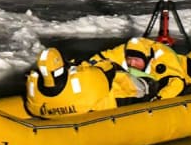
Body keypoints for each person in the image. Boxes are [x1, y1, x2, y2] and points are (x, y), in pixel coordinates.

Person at [89, 37, 191, 100]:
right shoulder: (124, 51)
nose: (132, 63)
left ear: (147, 59)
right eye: (130, 60)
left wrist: (158, 100)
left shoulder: (162, 59)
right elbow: (99, 58)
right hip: (154, 79)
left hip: (185, 69)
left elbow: (176, 83)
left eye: (136, 60)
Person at [25, 47, 156, 119]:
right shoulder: (85, 78)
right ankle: (148, 87)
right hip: (102, 105)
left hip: (53, 109)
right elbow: (108, 70)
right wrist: (94, 65)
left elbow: (32, 108)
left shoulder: (33, 84)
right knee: (117, 78)